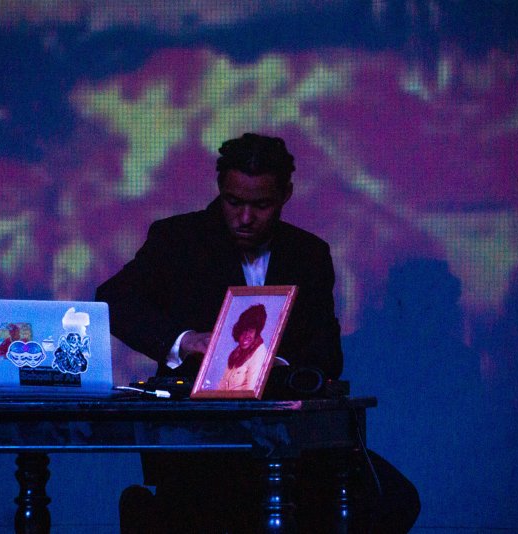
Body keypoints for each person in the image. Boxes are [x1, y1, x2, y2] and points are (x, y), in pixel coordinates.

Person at [96, 133, 420, 532]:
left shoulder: (310, 254)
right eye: (234, 202)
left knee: (393, 500)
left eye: (261, 205)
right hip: (199, 443)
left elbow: (327, 353)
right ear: (220, 190)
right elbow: (113, 299)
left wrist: (275, 366)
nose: (245, 217)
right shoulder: (176, 240)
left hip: (289, 442)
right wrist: (183, 341)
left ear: (286, 194)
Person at [217, 304, 268, 391]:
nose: (246, 336)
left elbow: (251, 392)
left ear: (256, 333)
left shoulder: (259, 353)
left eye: (251, 331)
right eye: (243, 331)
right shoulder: (235, 354)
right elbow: (221, 387)